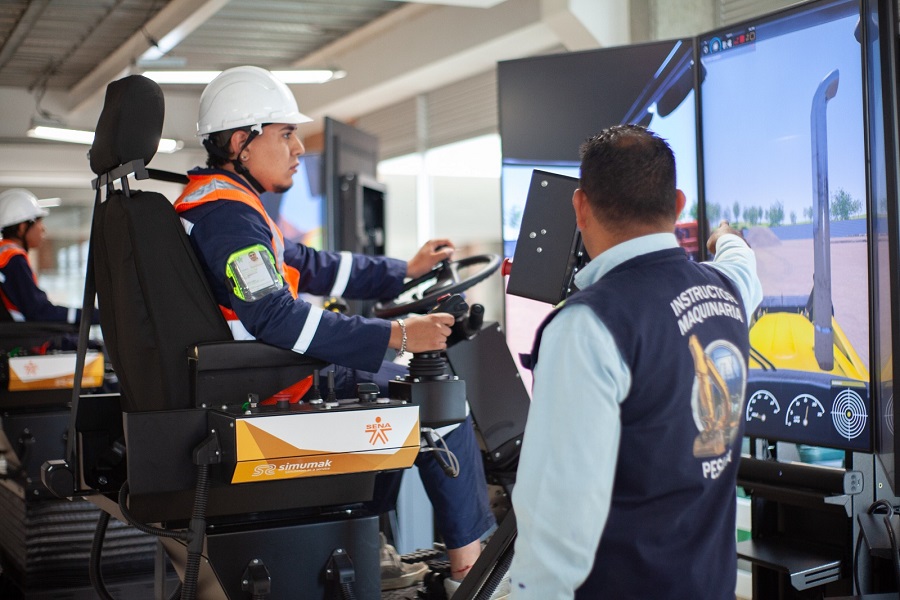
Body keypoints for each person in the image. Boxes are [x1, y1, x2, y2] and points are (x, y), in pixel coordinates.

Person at [173, 66, 501, 597]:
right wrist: (397, 336)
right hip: (266, 386)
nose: (299, 148)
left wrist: (404, 270)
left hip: (253, 377)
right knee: (434, 403)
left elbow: (312, 263)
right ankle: (471, 571)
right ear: (241, 142)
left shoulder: (226, 203)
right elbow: (272, 315)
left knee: (396, 392)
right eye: (285, 134)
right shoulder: (227, 215)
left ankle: (372, 541)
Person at [508, 124, 763, 599]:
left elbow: (557, 527)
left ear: (580, 207)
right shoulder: (725, 293)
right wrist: (725, 237)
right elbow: (743, 266)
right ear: (678, 203)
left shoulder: (587, 327)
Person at [0, 188, 99, 325]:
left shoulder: (4, 255)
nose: (43, 229)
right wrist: (90, 316)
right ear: (22, 227)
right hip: (25, 340)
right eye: (39, 223)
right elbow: (40, 312)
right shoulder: (12, 259)